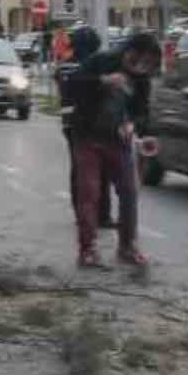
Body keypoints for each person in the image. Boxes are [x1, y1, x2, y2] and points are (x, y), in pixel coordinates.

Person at [63, 30, 161, 268]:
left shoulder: (142, 80)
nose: (141, 68)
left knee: (129, 191)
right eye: (139, 61)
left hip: (119, 142)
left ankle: (127, 246)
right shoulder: (102, 62)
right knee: (89, 193)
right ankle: (88, 249)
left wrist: (134, 126)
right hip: (87, 137)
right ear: (129, 53)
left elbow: (142, 112)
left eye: (148, 65)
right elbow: (71, 86)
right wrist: (101, 82)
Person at [56, 25, 116, 232]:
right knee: (91, 170)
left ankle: (94, 213)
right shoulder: (75, 68)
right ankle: (94, 214)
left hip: (82, 122)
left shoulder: (70, 66)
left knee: (89, 169)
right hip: (80, 123)